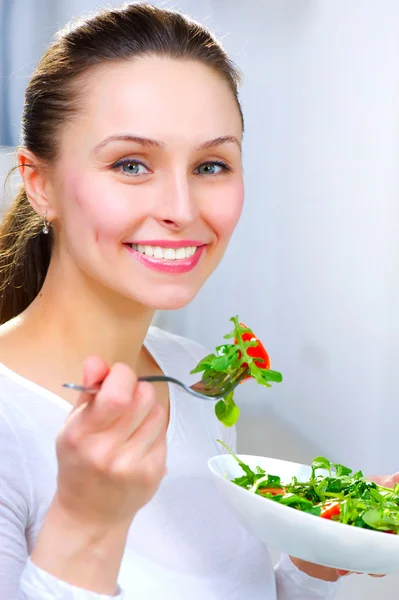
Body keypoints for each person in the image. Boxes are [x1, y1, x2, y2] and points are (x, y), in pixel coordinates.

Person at [0, 3, 391, 599]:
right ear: (40, 183)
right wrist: (87, 525)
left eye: (211, 165)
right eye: (131, 164)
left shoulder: (192, 374)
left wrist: (308, 562)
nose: (183, 210)